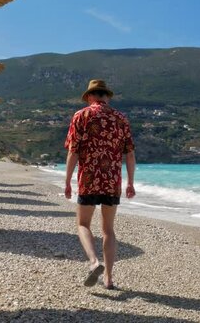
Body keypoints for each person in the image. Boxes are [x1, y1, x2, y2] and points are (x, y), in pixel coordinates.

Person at [64, 79, 136, 289]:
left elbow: (73, 151)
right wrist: (130, 183)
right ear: (107, 96)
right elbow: (130, 154)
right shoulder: (121, 119)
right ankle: (109, 278)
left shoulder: (81, 115)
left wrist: (67, 181)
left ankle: (94, 262)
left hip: (89, 179)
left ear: (89, 96)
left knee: (83, 224)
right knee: (108, 230)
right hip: (112, 181)